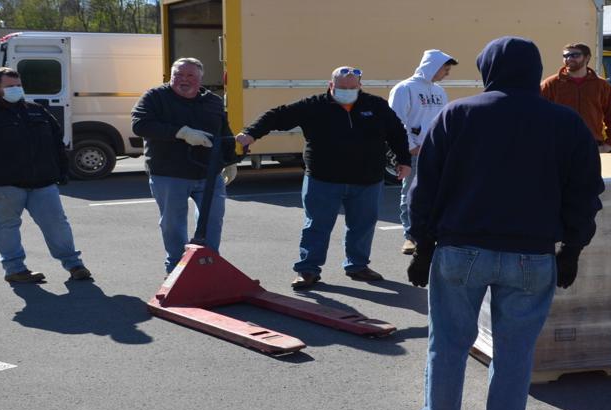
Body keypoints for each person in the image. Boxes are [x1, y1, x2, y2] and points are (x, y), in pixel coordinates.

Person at [396, 36, 602, 410]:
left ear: (487, 69)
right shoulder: (565, 124)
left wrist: (421, 244)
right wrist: (572, 250)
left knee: (448, 344)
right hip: (533, 255)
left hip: (461, 250)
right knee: (515, 350)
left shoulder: (458, 114)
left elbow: (425, 187)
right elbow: (584, 194)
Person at [237, 66, 411, 289]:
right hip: (323, 179)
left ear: (360, 86)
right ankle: (307, 270)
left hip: (367, 179)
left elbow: (396, 132)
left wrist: (403, 161)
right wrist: (251, 133)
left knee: (363, 225)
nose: (346, 91)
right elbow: (277, 116)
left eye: (351, 87)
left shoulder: (375, 105)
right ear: (331, 85)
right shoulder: (314, 105)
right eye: (341, 87)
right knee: (317, 225)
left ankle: (357, 266)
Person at [0, 68, 92, 284]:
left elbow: (56, 143)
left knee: (57, 224)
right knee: (5, 227)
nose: (16, 90)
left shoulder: (35, 111)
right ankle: (15, 269)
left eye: (18, 85)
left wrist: (62, 170)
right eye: (10, 86)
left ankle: (74, 264)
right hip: (2, 185)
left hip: (42, 183)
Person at [131, 57, 239, 273]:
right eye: (178, 75)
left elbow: (223, 131)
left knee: (212, 221)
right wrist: (181, 133)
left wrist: (230, 161)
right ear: (170, 77)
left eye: (190, 75)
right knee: (173, 225)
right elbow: (140, 125)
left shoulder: (213, 101)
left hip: (209, 173)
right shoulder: (154, 97)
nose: (183, 79)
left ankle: (207, 265)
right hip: (169, 173)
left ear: (200, 79)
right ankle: (176, 269)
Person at [388, 50, 457, 256]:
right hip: (415, 152)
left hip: (438, 151)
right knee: (410, 193)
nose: (447, 73)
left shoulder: (439, 91)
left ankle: (431, 233)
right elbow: (395, 121)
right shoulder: (405, 88)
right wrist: (410, 147)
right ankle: (410, 237)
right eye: (445, 69)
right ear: (433, 66)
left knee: (436, 194)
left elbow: (444, 120)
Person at [539, 43, 611, 155]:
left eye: (575, 55)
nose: (569, 58)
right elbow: (537, 115)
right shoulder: (550, 85)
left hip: (591, 146)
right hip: (558, 147)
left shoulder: (602, 86)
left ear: (587, 57)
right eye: (566, 56)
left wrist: (608, 146)